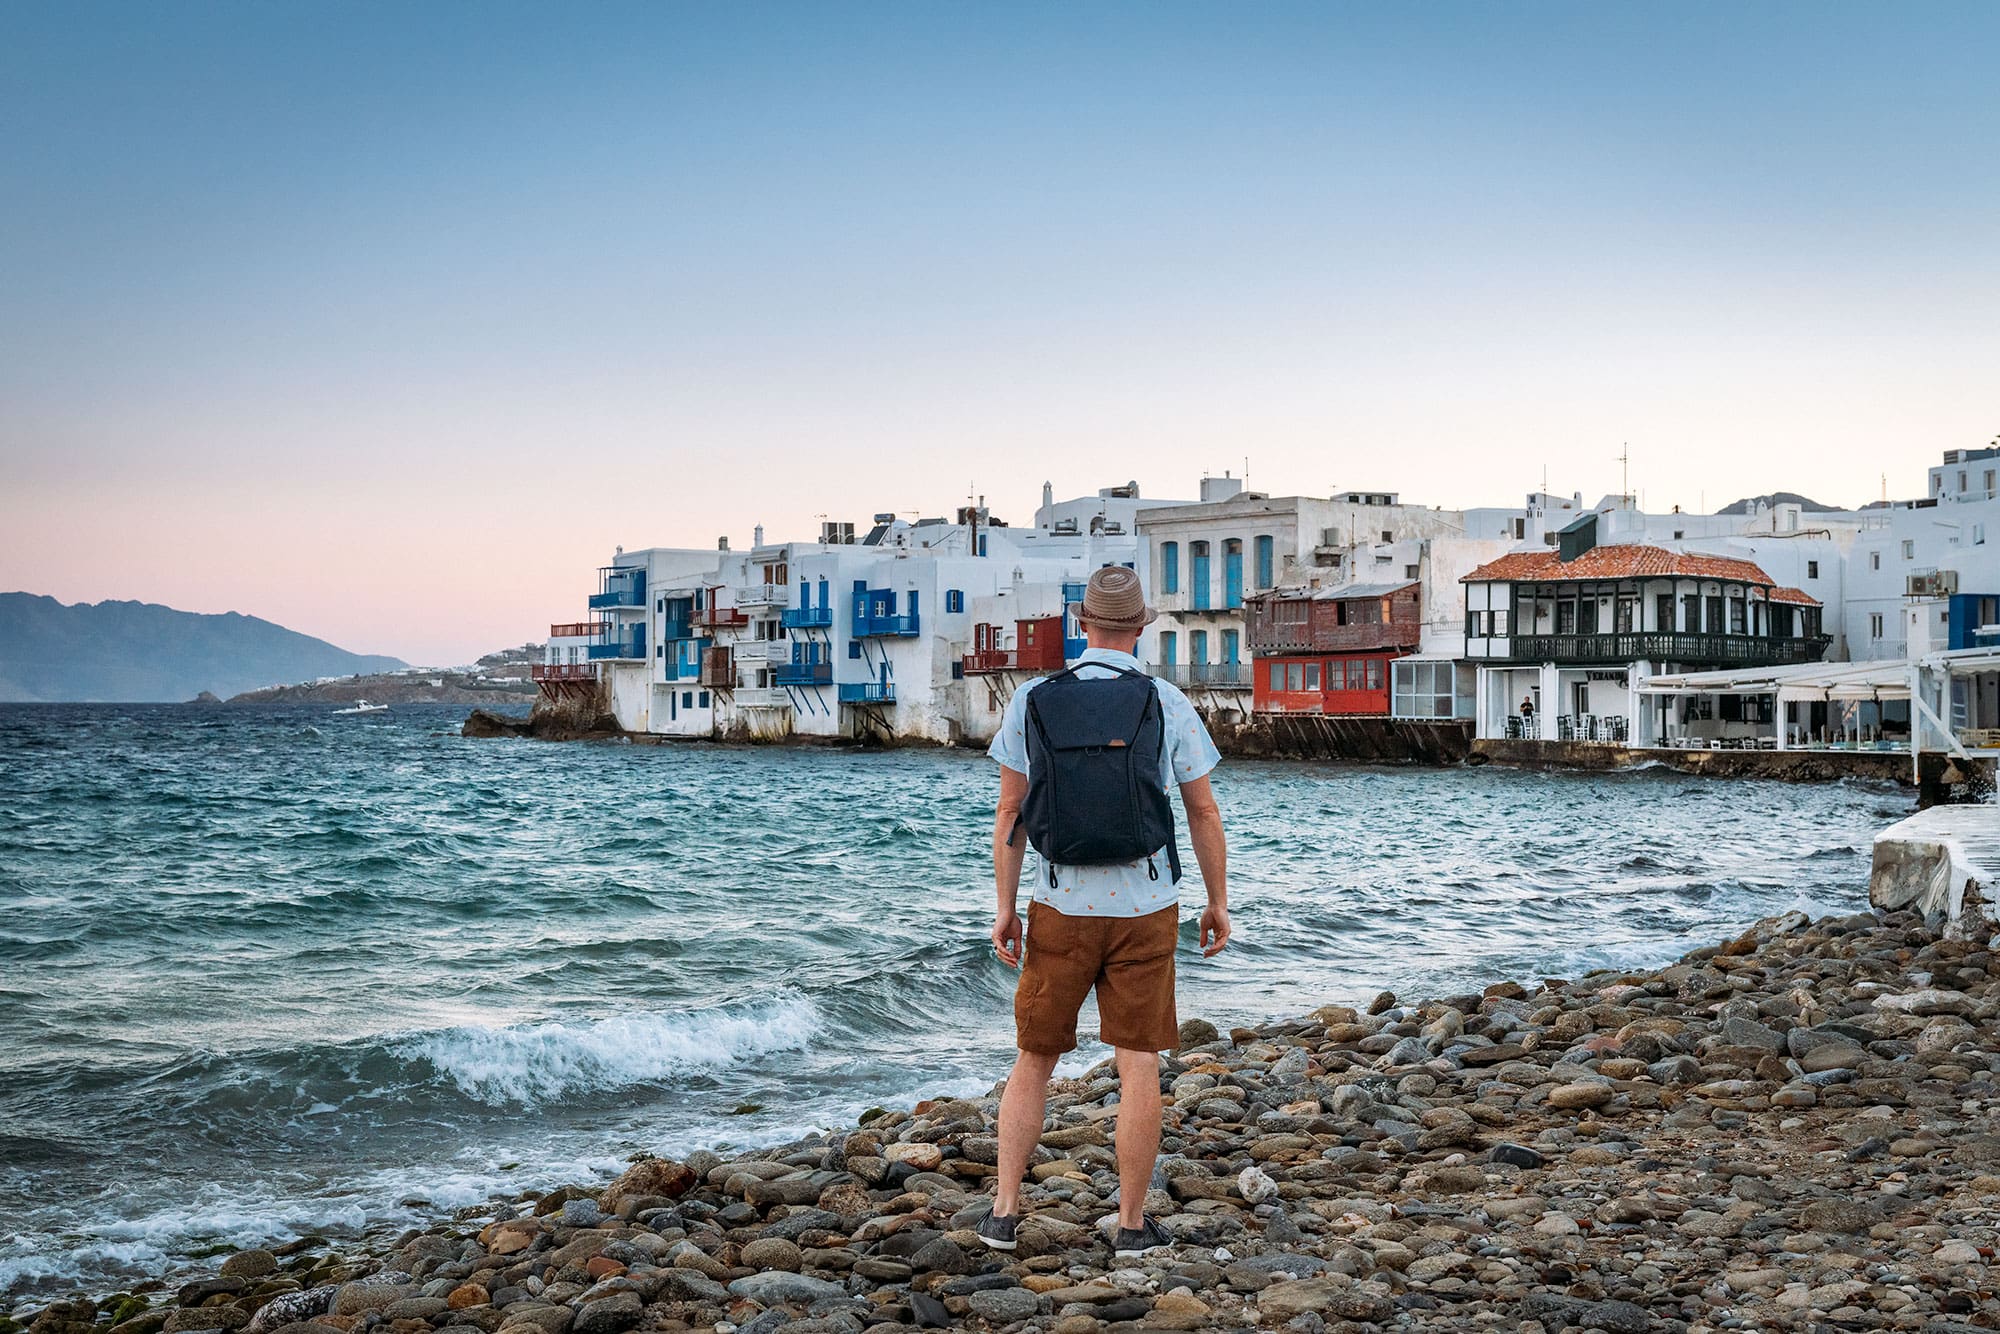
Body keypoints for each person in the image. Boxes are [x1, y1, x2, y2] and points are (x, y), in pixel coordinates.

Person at [977, 565, 1229, 1258]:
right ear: (1143, 626)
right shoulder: (1166, 700)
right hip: (1146, 906)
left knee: (1035, 1058)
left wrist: (1006, 909)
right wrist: (1217, 901)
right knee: (1137, 1063)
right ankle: (1131, 1225)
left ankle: (1003, 1214)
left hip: (1059, 904)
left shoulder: (1032, 699)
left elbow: (1010, 812)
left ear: (1080, 623)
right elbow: (1202, 811)